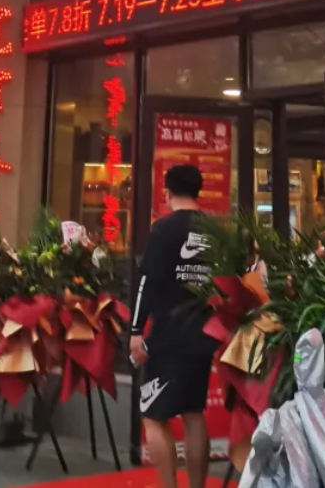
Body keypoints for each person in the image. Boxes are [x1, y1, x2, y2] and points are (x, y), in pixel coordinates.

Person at [130, 165, 217, 488]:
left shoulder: (163, 230)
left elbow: (147, 283)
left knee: (153, 416)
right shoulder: (213, 230)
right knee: (194, 414)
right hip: (203, 334)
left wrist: (135, 330)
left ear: (166, 192)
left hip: (168, 336)